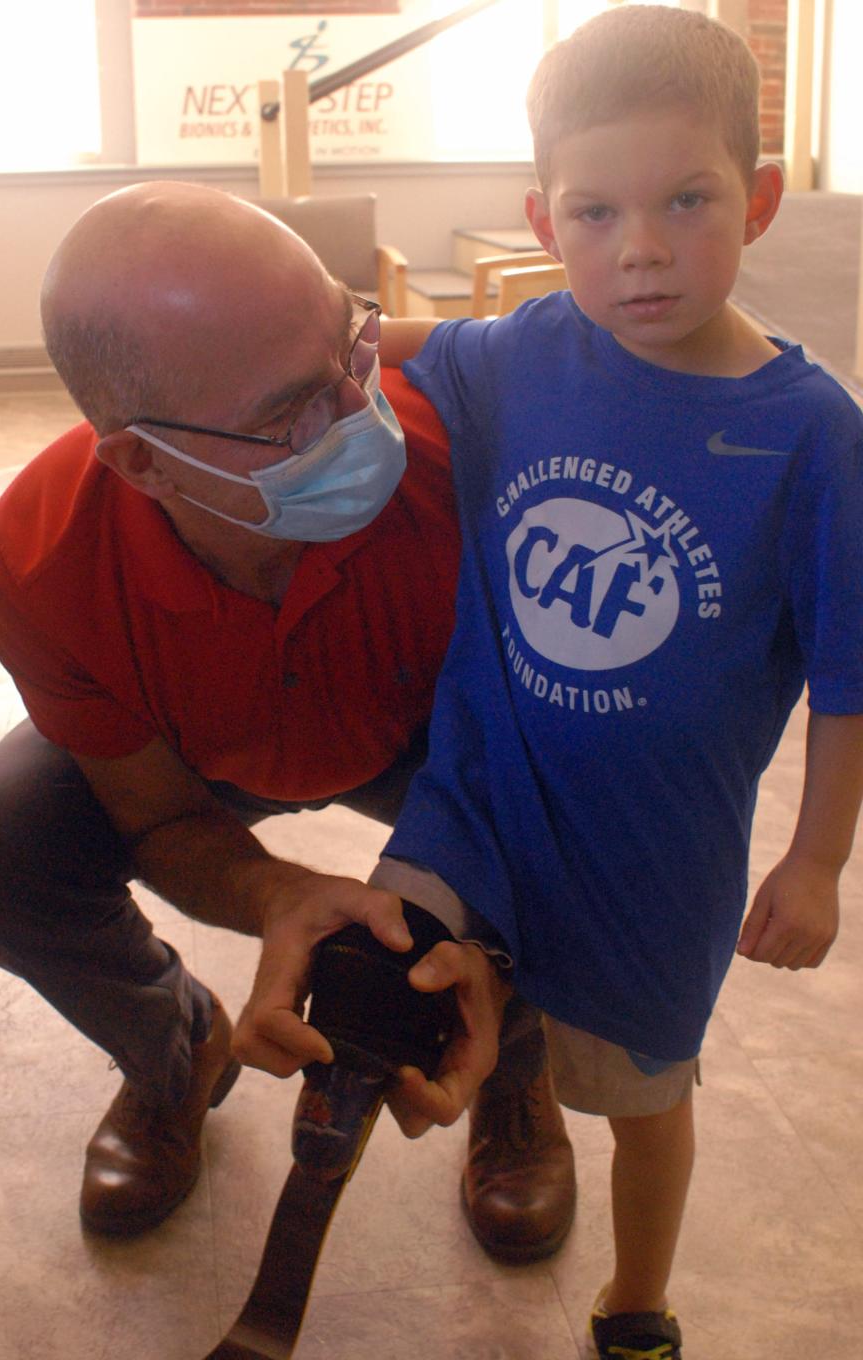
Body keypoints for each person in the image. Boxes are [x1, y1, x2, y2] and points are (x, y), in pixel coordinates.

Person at [0, 180, 576, 1255]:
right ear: (137, 459)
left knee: (573, 799)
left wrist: (484, 958)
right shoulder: (45, 561)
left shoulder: (470, 466)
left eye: (353, 351)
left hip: (426, 736)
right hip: (198, 740)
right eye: (287, 417)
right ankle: (177, 1049)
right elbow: (162, 817)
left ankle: (515, 1068)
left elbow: (558, 762)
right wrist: (281, 893)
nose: (359, 417)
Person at [371, 7, 863, 1357]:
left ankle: (637, 1302)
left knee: (645, 1102)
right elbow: (401, 345)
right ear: (543, 215)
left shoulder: (812, 437)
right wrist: (304, 335)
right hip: (476, 808)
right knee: (370, 991)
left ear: (757, 202)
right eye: (592, 213)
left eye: (686, 200)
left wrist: (818, 862)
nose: (638, 248)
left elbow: (849, 676)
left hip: (654, 866)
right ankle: (460, 1092)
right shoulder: (528, 348)